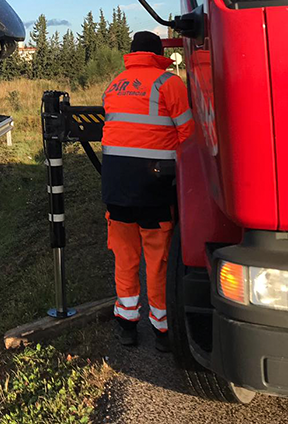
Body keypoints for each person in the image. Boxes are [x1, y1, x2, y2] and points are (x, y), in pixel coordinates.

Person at [102, 31, 194, 352]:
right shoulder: (169, 84)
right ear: (158, 55)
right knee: (158, 260)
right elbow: (189, 136)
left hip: (116, 188)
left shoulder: (115, 84)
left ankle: (127, 325)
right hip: (154, 187)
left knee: (125, 257)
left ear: (132, 53)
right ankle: (162, 331)